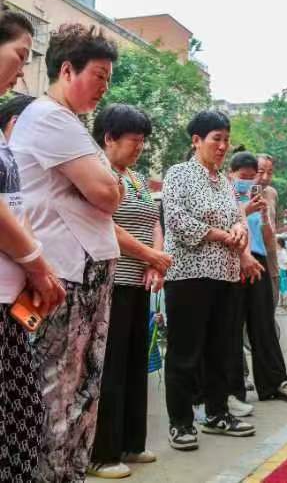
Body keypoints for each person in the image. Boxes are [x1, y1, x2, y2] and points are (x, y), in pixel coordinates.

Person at [12, 23, 124, 482]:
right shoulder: (51, 118)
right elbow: (107, 192)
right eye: (98, 76)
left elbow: (104, 191)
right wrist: (99, 185)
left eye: (108, 79)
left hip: (82, 272)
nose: (104, 88)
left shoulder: (70, 124)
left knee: (82, 388)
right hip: (62, 275)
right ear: (66, 69)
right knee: (57, 391)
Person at [162, 111, 256, 452]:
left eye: (226, 139)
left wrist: (239, 232)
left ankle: (217, 414)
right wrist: (218, 234)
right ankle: (181, 422)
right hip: (188, 274)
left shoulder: (225, 183)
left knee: (222, 349)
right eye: (216, 138)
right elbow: (175, 219)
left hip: (226, 274)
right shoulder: (179, 174)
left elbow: (239, 219)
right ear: (197, 139)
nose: (222, 145)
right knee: (185, 351)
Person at [0, 9, 66, 483]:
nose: (22, 70)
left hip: (10, 298)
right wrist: (37, 263)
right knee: (18, 430)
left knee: (22, 425)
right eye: (20, 56)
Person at [88, 105, 171, 478]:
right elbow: (105, 224)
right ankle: (101, 452)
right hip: (109, 282)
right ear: (109, 137)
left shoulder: (135, 179)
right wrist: (149, 254)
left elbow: (153, 220)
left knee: (136, 363)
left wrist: (154, 262)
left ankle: (131, 442)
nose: (139, 147)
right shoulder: (96, 172)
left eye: (142, 141)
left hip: (139, 283)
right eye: (133, 141)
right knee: (110, 369)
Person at [227, 151, 287, 409]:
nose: (261, 177)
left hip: (259, 260)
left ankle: (274, 382)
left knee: (264, 324)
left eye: (267, 172)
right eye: (256, 172)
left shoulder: (268, 195)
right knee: (231, 329)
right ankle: (232, 390)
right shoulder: (226, 190)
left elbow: (269, 237)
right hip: (232, 261)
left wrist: (263, 219)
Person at [255, 154, 281, 307]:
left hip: (270, 261)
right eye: (260, 171)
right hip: (249, 260)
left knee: (271, 305)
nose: (265, 177)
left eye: (270, 172)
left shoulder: (272, 193)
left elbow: (274, 225)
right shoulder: (239, 192)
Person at [277, 237, 287, 306]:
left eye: (276, 243)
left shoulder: (283, 252)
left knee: (284, 288)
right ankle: (281, 302)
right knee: (280, 287)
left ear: (279, 244)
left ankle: (285, 303)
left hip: (283, 272)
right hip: (279, 271)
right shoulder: (278, 251)